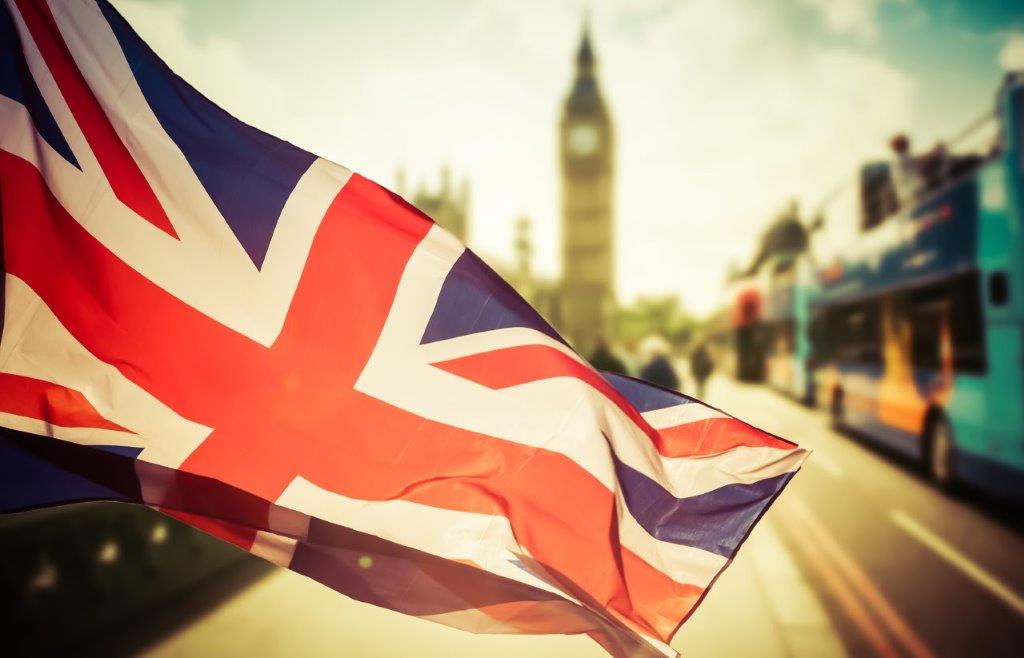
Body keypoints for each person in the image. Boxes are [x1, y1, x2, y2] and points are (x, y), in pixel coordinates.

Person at [889, 133, 923, 211]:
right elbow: (920, 162)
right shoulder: (903, 158)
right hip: (915, 191)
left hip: (906, 195)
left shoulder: (896, 161)